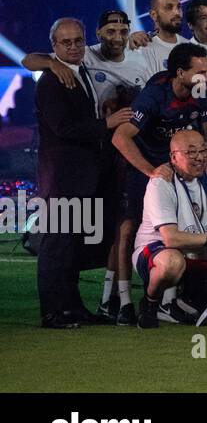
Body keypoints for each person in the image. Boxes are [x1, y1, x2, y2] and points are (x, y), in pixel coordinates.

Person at [35, 18, 133, 328]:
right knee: (57, 244)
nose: (74, 46)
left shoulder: (82, 72)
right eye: (67, 43)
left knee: (72, 246)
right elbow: (63, 127)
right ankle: (53, 312)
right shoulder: (51, 80)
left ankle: (72, 307)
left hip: (82, 177)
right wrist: (108, 122)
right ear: (54, 47)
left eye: (78, 40)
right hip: (62, 178)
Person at [112, 42, 207, 323]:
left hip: (179, 165)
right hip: (145, 165)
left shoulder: (201, 91)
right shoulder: (154, 95)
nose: (204, 78)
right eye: (199, 72)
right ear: (180, 73)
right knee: (128, 228)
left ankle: (168, 302)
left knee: (180, 228)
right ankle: (122, 302)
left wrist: (205, 158)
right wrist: (151, 171)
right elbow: (120, 137)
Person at [132, 130, 207, 328]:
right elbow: (171, 239)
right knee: (173, 262)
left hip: (197, 253)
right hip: (156, 250)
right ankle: (151, 303)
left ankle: (182, 301)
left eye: (203, 150)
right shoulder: (161, 183)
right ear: (174, 157)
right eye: (191, 153)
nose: (199, 157)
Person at [22, 9, 148, 107]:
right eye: (110, 32)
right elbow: (27, 61)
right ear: (98, 34)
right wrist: (52, 63)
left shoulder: (140, 58)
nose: (117, 38)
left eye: (124, 32)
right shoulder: (81, 54)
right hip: (96, 133)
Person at [131, 0, 187, 77]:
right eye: (169, 8)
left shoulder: (189, 46)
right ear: (154, 15)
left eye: (179, 7)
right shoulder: (142, 48)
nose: (177, 13)